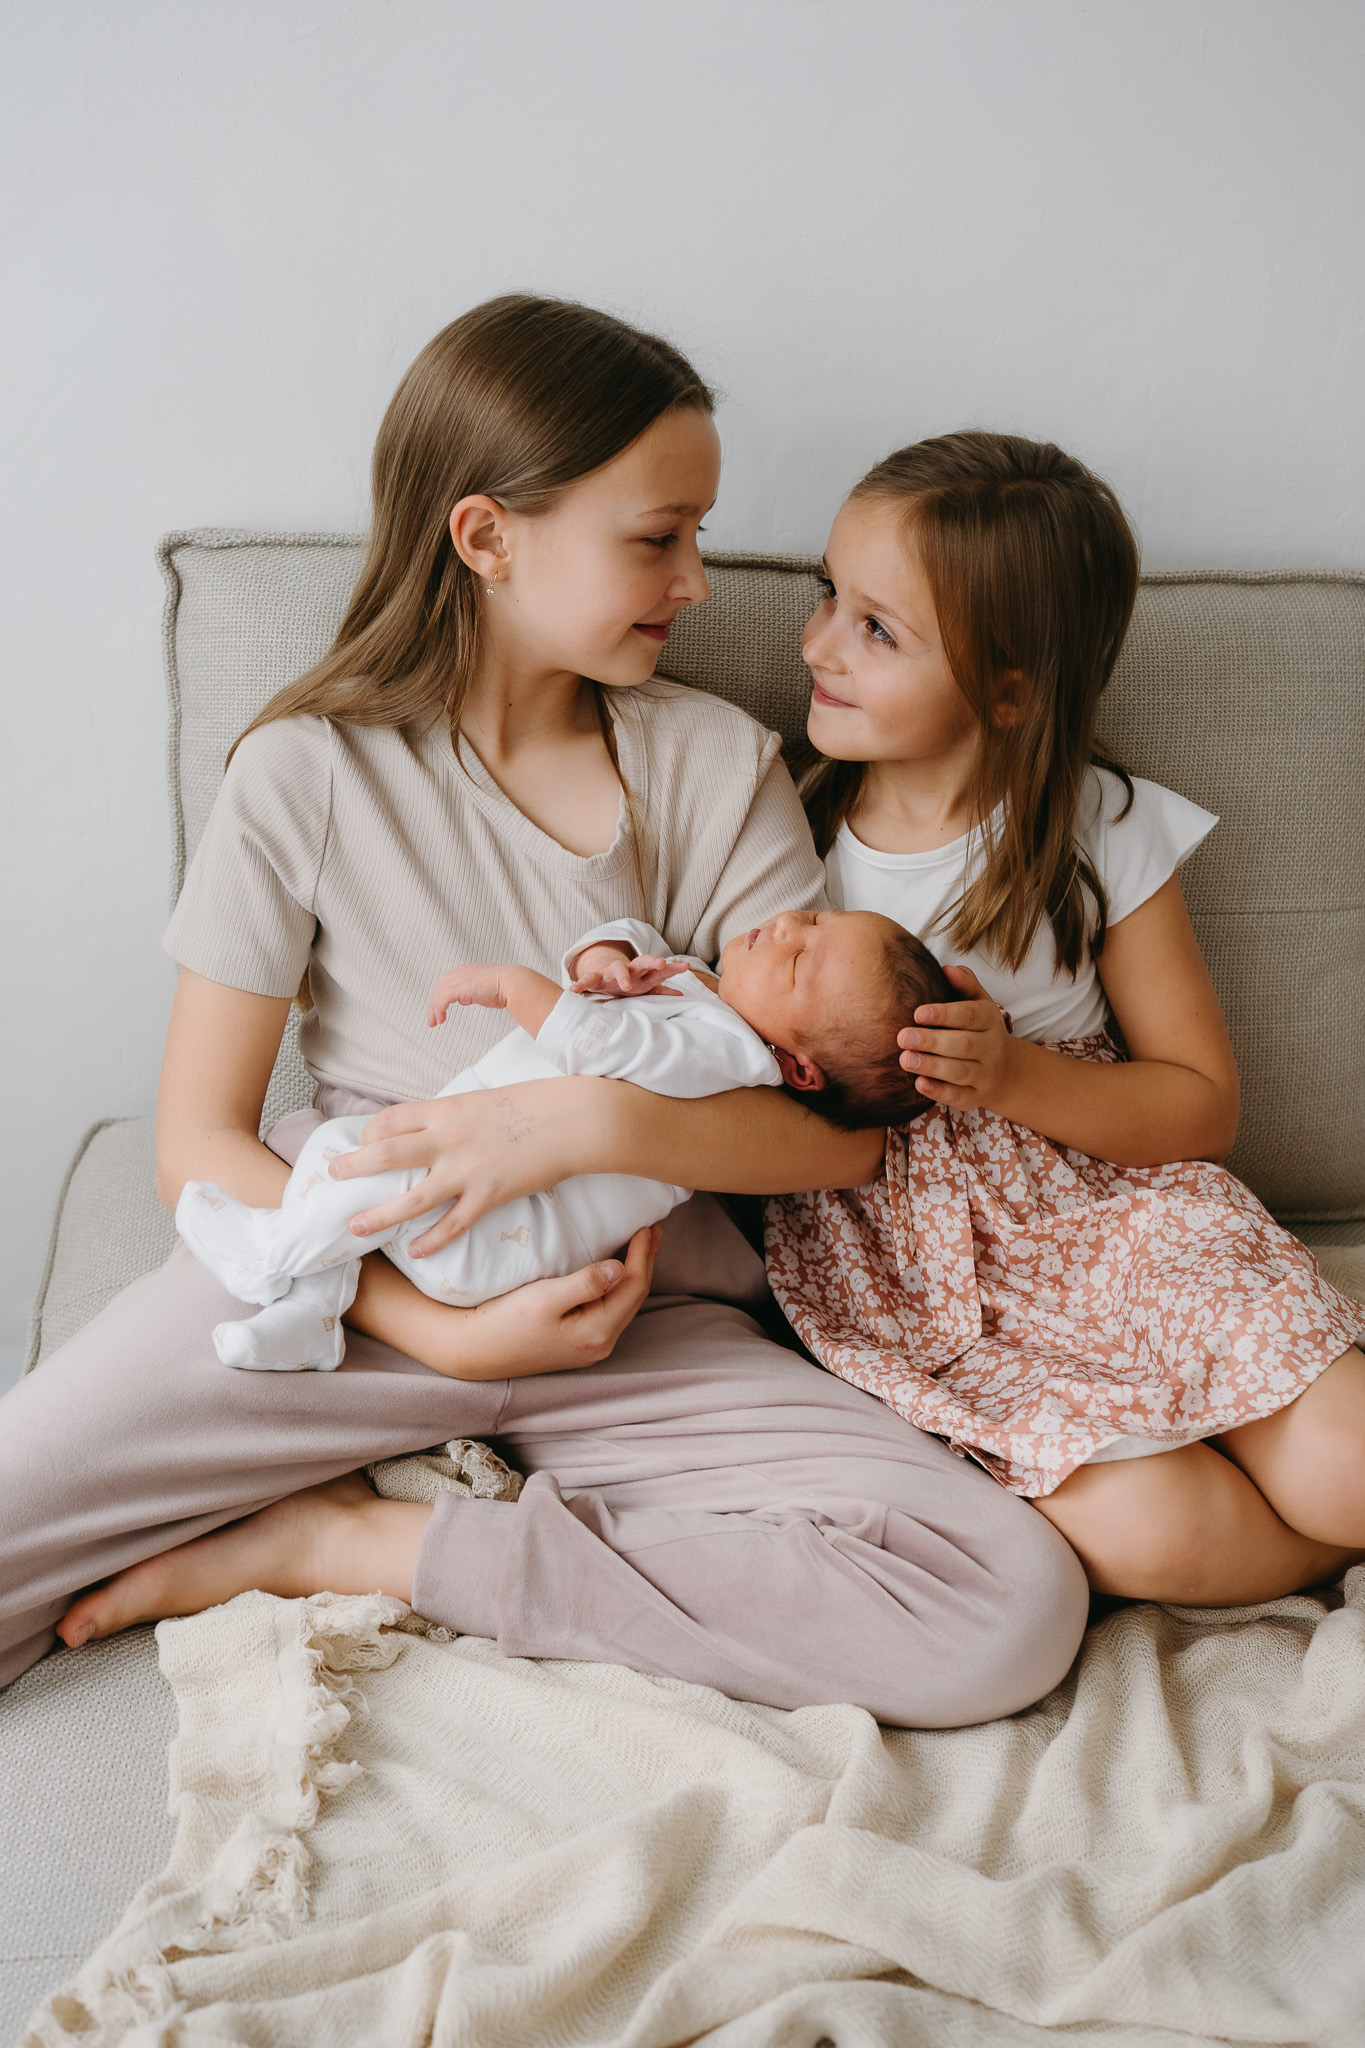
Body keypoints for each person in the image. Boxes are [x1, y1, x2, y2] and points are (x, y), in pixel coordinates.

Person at [0, 299, 1088, 1728]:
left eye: (698, 534)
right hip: (348, 1293)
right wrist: (441, 1333)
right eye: (658, 537)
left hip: (642, 1320)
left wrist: (579, 1125)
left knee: (1007, 1605)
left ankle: (352, 1544)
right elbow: (196, 1144)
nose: (698, 579)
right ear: (486, 537)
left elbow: (836, 1139)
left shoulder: (712, 763)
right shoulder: (303, 774)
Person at [766, 429, 1365, 1607]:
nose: (819, 642)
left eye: (877, 628)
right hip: (920, 1279)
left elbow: (1200, 1106)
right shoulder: (780, 823)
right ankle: (1319, 1559)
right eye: (829, 594)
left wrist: (1013, 1077)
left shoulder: (1099, 827)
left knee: (1346, 1464)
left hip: (1119, 1218)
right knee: (1158, 1534)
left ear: (1010, 690)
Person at [178, 907, 951, 1371]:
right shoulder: (703, 990)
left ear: (798, 1069)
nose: (785, 928)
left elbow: (603, 1048)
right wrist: (605, 959)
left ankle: (268, 1255)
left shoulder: (733, 1059)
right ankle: (311, 1314)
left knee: (363, 1171)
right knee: (341, 1150)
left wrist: (518, 987)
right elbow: (635, 934)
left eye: (801, 960)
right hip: (470, 1188)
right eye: (813, 919)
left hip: (501, 1232)